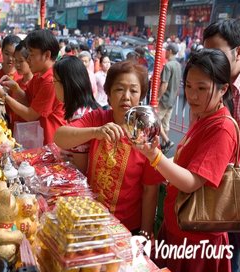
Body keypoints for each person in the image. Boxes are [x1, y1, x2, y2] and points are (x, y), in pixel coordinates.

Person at [135, 49, 236, 272]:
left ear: (223, 89)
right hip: (180, 225)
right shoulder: (203, 117)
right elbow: (184, 163)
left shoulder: (222, 127)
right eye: (189, 86)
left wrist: (156, 158)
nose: (192, 95)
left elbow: (192, 181)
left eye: (202, 88)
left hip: (197, 240)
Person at [54, 60, 162, 236]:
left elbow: (150, 191)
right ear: (109, 94)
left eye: (133, 90)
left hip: (126, 228)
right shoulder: (98, 118)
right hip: (90, 216)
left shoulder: (146, 136)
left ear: (141, 97)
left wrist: (146, 233)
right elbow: (60, 137)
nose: (126, 96)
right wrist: (96, 132)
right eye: (119, 89)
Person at [203, 18, 240, 272]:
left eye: (215, 53)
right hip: (222, 190)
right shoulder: (220, 87)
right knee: (230, 260)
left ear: (239, 52)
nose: (209, 61)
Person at [0, 29, 65, 145]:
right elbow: (28, 100)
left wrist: (4, 96)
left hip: (51, 142)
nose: (28, 59)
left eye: (31, 55)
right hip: (39, 138)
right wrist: (16, 88)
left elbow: (31, 115)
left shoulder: (51, 80)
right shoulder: (38, 76)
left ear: (47, 55)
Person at [53, 56, 99, 173]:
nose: (53, 86)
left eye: (55, 81)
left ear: (67, 84)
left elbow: (81, 169)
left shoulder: (80, 116)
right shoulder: (85, 109)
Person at [157, 43, 182, 154]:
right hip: (172, 100)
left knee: (155, 120)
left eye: (166, 50)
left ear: (170, 51)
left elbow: (164, 84)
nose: (165, 52)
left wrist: (157, 97)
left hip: (164, 99)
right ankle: (164, 145)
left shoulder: (168, 66)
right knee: (166, 123)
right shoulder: (178, 65)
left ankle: (166, 141)